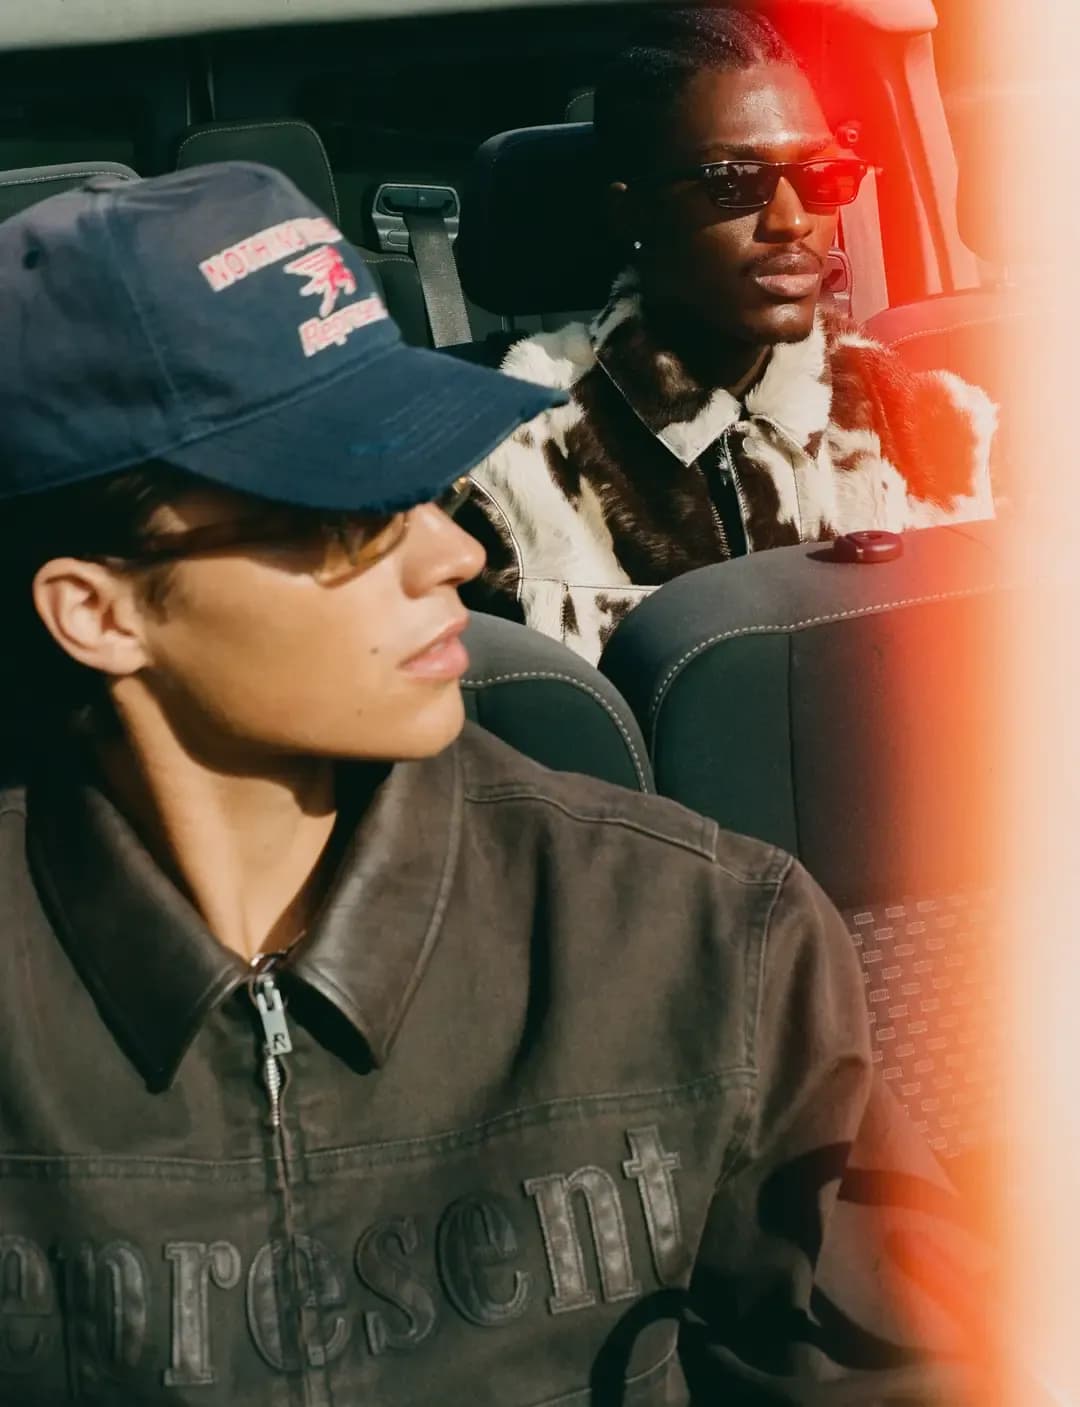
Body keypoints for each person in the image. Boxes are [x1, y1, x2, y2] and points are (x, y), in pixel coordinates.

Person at [0, 162, 983, 1405]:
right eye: (348, 519)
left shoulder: (706, 943)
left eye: (425, 485)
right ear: (97, 611)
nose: (455, 551)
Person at [460, 8, 998, 663]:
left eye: (820, 176)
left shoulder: (920, 423)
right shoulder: (508, 463)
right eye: (733, 182)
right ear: (632, 211)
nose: (792, 219)